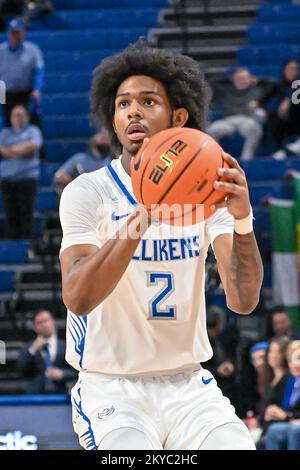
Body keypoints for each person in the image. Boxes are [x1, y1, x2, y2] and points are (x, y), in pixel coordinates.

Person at [59, 38, 263, 450]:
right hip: (112, 387)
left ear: (179, 116)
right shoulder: (89, 192)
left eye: (149, 101)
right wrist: (142, 218)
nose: (133, 110)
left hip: (189, 384)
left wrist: (242, 220)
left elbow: (242, 300)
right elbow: (77, 297)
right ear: (113, 120)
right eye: (122, 104)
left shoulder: (209, 197)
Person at [0, 104, 42, 239]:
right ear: (11, 118)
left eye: (22, 114)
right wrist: (21, 149)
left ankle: (26, 244)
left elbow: (33, 146)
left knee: (26, 213)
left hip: (27, 179)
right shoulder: (5, 133)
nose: (19, 118)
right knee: (10, 214)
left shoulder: (33, 131)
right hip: (8, 179)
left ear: (27, 117)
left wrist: (11, 150)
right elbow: (2, 151)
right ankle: (13, 245)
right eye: (16, 115)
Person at [206, 68, 266, 160]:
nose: (241, 81)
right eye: (238, 79)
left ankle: (247, 160)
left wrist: (259, 80)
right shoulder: (227, 90)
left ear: (250, 79)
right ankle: (218, 158)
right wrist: (227, 77)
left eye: (244, 78)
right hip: (228, 121)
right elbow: (210, 81)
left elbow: (273, 84)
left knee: (254, 128)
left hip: (246, 120)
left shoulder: (256, 90)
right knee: (210, 131)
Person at [17, 310, 77, 394]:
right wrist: (32, 350)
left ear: (53, 322)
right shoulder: (28, 347)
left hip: (61, 393)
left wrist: (62, 374)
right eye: (39, 323)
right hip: (35, 396)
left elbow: (76, 371)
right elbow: (21, 370)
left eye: (46, 321)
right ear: (34, 327)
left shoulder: (66, 345)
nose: (44, 325)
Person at [0, 18, 44, 128]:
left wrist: (37, 89)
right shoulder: (1, 51)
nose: (16, 36)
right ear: (8, 34)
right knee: (10, 125)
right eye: (13, 33)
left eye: (18, 33)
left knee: (34, 122)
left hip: (26, 93)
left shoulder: (32, 49)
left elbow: (39, 70)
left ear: (23, 32)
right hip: (8, 94)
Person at [264, 341, 300, 450]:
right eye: (290, 360)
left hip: (295, 425)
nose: (294, 364)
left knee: (295, 430)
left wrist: (286, 416)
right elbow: (287, 410)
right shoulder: (291, 382)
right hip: (291, 423)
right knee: (273, 430)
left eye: (298, 359)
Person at [54, 130, 112, 194]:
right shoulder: (80, 159)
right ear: (93, 140)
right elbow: (58, 176)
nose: (106, 142)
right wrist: (76, 182)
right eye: (103, 138)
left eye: (107, 140)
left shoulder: (112, 161)